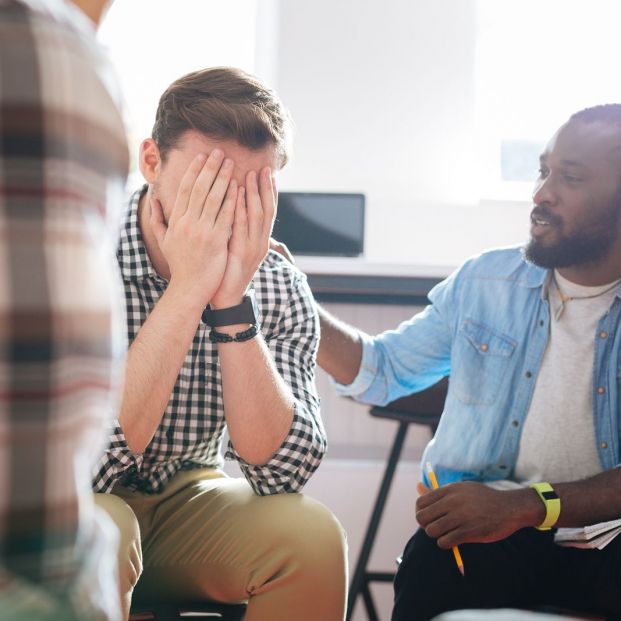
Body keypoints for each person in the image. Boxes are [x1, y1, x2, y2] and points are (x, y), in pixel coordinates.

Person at [314, 105, 621, 620]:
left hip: (608, 540)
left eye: (570, 177)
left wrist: (525, 505)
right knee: (429, 560)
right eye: (543, 171)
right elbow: (383, 370)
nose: (541, 194)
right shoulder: (485, 282)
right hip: (495, 536)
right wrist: (295, 299)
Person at [92, 67, 347, 621]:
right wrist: (186, 290)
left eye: (251, 193)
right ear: (151, 162)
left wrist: (232, 303)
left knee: (310, 537)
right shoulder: (82, 259)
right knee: (102, 530)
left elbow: (283, 473)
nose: (226, 214)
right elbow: (81, 469)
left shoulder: (276, 280)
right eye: (208, 184)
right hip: (70, 506)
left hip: (188, 501)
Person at [0, 0, 129, 620]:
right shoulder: (58, 51)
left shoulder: (71, 54)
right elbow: (117, 451)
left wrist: (231, 306)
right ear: (152, 160)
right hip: (44, 561)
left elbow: (280, 462)